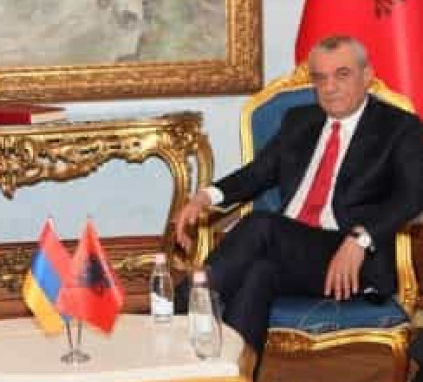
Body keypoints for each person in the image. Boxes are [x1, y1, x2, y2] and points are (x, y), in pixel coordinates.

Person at [174, 35, 423, 361]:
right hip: (287, 250)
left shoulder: (399, 127)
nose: (330, 87)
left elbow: (414, 194)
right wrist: (204, 197)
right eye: (320, 78)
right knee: (258, 273)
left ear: (367, 76)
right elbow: (258, 173)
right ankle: (231, 377)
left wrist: (361, 238)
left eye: (342, 75)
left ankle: (175, 311)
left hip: (349, 258)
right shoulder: (299, 121)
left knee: (262, 226)